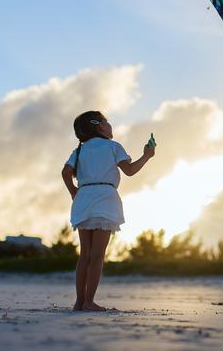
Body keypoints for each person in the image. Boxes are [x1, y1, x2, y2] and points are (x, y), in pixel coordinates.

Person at [61, 111, 155, 311]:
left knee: (84, 254)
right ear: (99, 125)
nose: (109, 124)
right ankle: (89, 302)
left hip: (84, 197)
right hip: (105, 197)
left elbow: (66, 172)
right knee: (97, 256)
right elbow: (129, 171)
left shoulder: (79, 150)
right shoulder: (113, 147)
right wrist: (147, 155)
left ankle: (79, 302)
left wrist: (73, 192)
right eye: (106, 121)